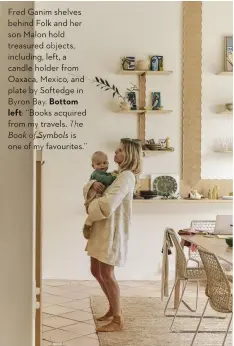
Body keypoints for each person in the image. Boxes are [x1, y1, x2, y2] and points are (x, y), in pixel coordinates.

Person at [83, 138, 142, 332]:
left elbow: (107, 205)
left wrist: (90, 206)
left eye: (119, 151)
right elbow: (90, 186)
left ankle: (118, 319)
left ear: (130, 155)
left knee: (107, 273)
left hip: (111, 231)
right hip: (101, 229)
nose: (115, 154)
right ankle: (112, 307)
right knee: (95, 270)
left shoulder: (126, 176)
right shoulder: (115, 175)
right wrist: (91, 186)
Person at [83, 151, 117, 238]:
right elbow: (107, 180)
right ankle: (87, 225)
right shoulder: (96, 174)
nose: (102, 165)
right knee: (95, 211)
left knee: (96, 213)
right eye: (98, 164)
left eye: (104, 163)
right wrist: (115, 177)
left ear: (108, 163)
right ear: (93, 166)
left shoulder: (105, 174)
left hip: (98, 198)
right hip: (93, 198)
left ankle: (88, 224)